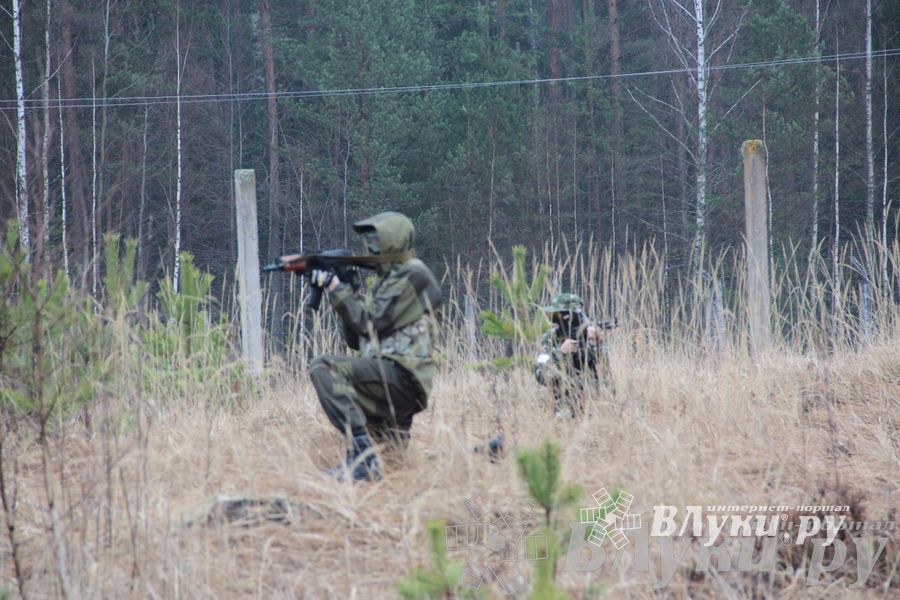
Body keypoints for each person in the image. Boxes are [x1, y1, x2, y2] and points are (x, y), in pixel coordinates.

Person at [307, 211, 442, 482]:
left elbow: (369, 324)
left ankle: (360, 456)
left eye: (376, 237)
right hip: (390, 378)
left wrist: (336, 288)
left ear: (394, 240)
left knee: (323, 367)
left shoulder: (413, 274)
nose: (370, 244)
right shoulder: (387, 280)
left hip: (402, 377)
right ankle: (482, 453)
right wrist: (347, 290)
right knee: (396, 470)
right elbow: (356, 340)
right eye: (367, 238)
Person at [534, 293, 612, 417]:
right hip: (562, 410)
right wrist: (560, 353)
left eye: (559, 314)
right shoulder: (549, 338)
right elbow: (540, 376)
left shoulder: (589, 335)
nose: (555, 318)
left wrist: (598, 343)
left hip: (593, 407)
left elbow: (606, 372)